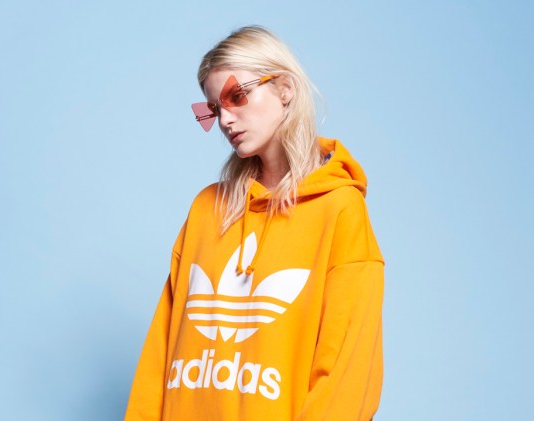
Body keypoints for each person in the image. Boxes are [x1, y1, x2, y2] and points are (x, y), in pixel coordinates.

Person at [124, 26, 384, 420]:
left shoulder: (338, 210)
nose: (225, 120)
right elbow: (160, 352)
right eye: (214, 109)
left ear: (284, 89)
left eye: (237, 96)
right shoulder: (207, 208)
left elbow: (349, 373)